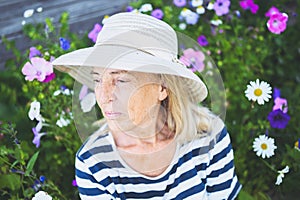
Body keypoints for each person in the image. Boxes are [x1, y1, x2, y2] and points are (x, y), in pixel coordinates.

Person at [53, 12, 241, 200]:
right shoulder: (94, 163)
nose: (104, 96)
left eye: (121, 80)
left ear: (162, 88)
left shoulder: (209, 136)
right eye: (97, 79)